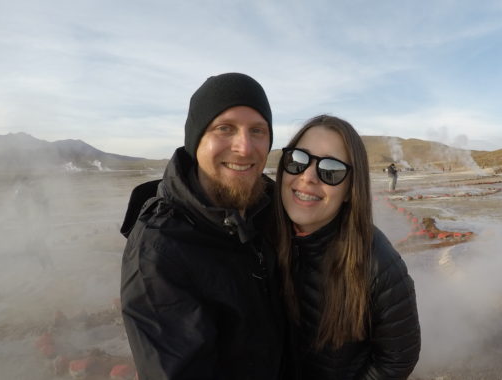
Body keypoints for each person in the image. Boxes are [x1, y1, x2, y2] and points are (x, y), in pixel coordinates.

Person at [119, 73, 286, 379]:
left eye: (258, 131)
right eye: (225, 128)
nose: (245, 147)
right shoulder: (160, 252)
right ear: (196, 140)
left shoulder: (270, 210)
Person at [274, 115, 421, 379]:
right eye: (297, 160)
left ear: (350, 190)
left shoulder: (379, 265)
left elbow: (397, 359)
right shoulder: (260, 235)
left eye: (330, 170)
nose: (307, 177)